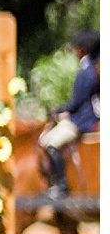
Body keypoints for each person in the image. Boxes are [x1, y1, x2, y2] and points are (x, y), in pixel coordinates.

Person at [40, 28, 99, 196]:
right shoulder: (94, 69)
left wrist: (58, 110)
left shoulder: (85, 73)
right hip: (88, 116)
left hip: (82, 121)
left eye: (76, 48)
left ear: (83, 49)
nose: (74, 51)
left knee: (49, 142)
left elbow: (76, 103)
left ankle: (61, 185)